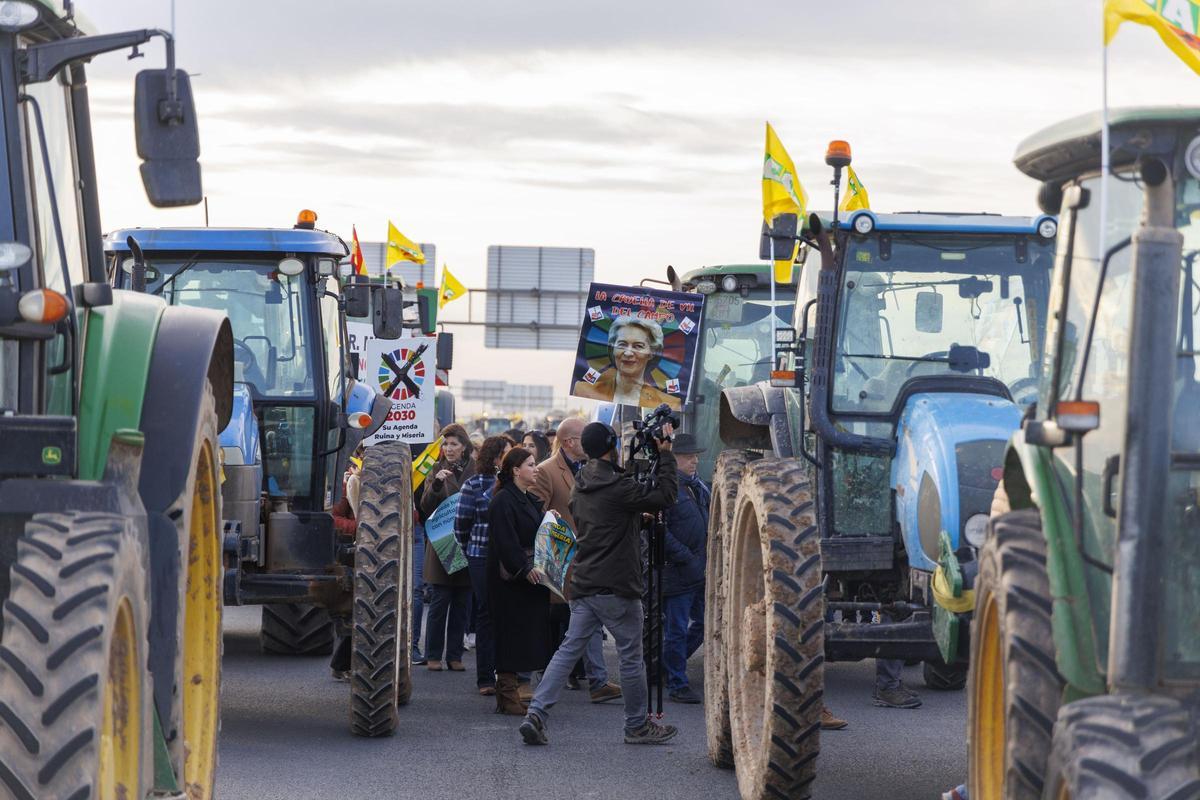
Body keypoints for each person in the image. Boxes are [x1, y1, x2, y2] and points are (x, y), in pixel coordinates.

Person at [519, 421, 679, 746]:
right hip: (617, 584)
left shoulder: (581, 483)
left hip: (584, 581)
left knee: (567, 651)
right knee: (631, 655)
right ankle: (637, 725)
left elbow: (604, 521)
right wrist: (665, 455)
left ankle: (536, 713)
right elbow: (665, 495)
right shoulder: (619, 486)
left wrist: (635, 520)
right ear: (610, 447)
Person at [530, 417, 621, 704]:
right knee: (570, 622)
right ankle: (566, 679)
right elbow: (535, 514)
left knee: (588, 619)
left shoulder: (591, 468)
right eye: (585, 436)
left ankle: (596, 680)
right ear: (570, 442)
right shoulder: (546, 471)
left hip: (588, 559)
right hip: (561, 561)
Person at [487, 447, 553, 715]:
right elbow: (506, 541)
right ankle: (506, 695)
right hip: (510, 581)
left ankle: (510, 694)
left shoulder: (526, 497)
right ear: (515, 470)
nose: (536, 469)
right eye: (530, 464)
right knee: (509, 635)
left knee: (522, 634)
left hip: (526, 579)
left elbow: (532, 530)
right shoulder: (503, 500)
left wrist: (549, 519)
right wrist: (524, 567)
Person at [454, 435, 513, 695]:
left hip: (508, 557)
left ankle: (508, 675)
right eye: (507, 453)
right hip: (480, 555)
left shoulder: (513, 484)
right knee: (486, 613)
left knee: (507, 614)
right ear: (496, 457)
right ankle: (486, 678)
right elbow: (461, 524)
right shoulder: (474, 485)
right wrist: (470, 548)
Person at [417, 424, 475, 671]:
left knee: (462, 602)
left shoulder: (475, 470)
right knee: (439, 602)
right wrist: (437, 485)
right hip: (442, 541)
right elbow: (425, 506)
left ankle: (454, 655)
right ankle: (433, 654)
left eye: (454, 444)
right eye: (446, 444)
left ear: (464, 447)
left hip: (468, 540)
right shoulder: (436, 469)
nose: (449, 449)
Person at [660, 433, 708, 704]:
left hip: (698, 570)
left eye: (695, 456)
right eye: (688, 456)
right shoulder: (667, 489)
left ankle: (668, 667)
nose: (694, 461)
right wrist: (685, 557)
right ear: (674, 459)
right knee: (676, 630)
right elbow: (660, 533)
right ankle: (677, 683)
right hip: (679, 572)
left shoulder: (697, 487)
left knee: (703, 623)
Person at [571, 316, 679, 409]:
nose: (628, 353)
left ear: (652, 353)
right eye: (622, 344)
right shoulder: (583, 391)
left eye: (638, 346)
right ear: (612, 349)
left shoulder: (670, 404)